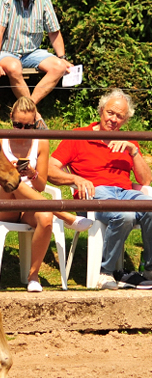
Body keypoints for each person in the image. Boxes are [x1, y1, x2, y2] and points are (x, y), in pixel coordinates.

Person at [49, 89, 152, 290]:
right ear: (101, 111)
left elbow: (146, 180)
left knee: (149, 207)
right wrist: (74, 178)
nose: (113, 119)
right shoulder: (79, 136)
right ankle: (105, 272)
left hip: (124, 192)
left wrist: (134, 152)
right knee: (126, 216)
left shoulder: (128, 140)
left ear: (125, 120)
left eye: (119, 116)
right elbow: (49, 169)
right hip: (95, 192)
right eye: (110, 113)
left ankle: (148, 269)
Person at [0, 97, 92, 292]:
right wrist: (3, 172)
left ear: (35, 124)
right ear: (10, 118)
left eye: (28, 127)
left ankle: (33, 276)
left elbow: (41, 185)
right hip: (3, 203)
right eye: (17, 125)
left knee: (45, 218)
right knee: (13, 180)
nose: (21, 131)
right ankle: (64, 214)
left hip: (31, 202)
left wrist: (32, 173)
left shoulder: (40, 142)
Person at [0, 0, 72, 124]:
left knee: (59, 67)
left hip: (32, 52)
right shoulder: (3, 1)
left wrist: (63, 58)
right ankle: (35, 115)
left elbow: (54, 31)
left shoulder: (44, 2)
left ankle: (29, 109)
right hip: (6, 51)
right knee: (14, 67)